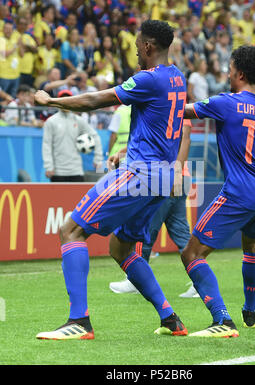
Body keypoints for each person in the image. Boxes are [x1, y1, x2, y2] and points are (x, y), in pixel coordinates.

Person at [34, 20, 188, 340]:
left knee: (71, 230)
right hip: (162, 177)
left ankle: (79, 321)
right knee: (121, 247)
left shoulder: (148, 78)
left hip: (140, 174)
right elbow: (157, 124)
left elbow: (95, 100)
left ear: (148, 47)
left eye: (136, 46)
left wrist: (51, 102)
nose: (134, 51)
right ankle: (171, 318)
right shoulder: (177, 77)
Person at [182, 45, 255, 338]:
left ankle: (222, 319)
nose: (226, 73)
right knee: (251, 244)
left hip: (239, 192)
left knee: (191, 253)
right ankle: (250, 311)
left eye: (229, 68)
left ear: (239, 73)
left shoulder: (226, 102)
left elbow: (181, 111)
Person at [109, 120, 193, 295]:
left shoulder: (172, 104)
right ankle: (199, 281)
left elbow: (185, 139)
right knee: (181, 232)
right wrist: (123, 152)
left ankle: (135, 280)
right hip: (175, 176)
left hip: (166, 177)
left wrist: (175, 173)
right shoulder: (172, 104)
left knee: (144, 227)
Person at [42, 89, 103, 182]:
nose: (66, 102)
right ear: (59, 101)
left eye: (68, 99)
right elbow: (47, 145)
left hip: (76, 171)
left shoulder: (78, 120)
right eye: (63, 99)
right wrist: (48, 166)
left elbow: (95, 136)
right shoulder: (51, 121)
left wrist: (98, 159)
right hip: (58, 172)